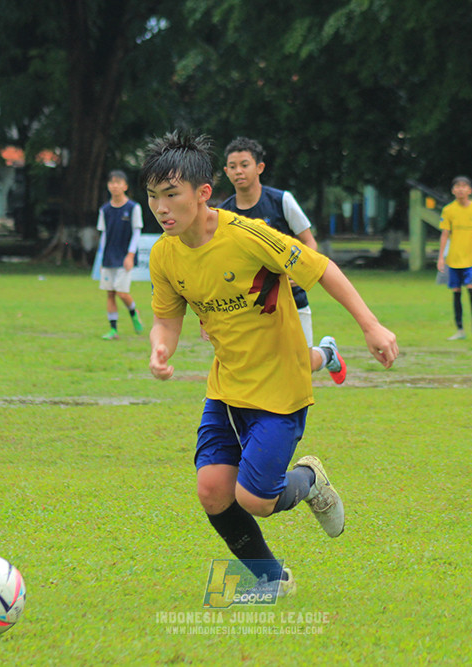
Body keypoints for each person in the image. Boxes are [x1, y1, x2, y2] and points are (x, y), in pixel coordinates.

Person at [144, 132, 398, 597]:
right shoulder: (164, 253)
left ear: (202, 194)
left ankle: (309, 479)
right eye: (153, 196)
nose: (161, 208)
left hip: (280, 388)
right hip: (226, 388)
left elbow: (322, 269)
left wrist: (371, 326)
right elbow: (167, 318)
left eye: (171, 195)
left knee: (256, 499)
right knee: (212, 490)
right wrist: (161, 347)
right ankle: (269, 579)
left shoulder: (248, 235)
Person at [219, 136, 346, 383]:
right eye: (232, 167)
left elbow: (309, 242)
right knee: (253, 364)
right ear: (226, 171)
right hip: (249, 305)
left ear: (260, 167)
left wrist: (298, 273)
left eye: (244, 164)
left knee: (302, 364)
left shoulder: (281, 201)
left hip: (292, 298)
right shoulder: (223, 214)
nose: (238, 171)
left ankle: (328, 352)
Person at [437, 176, 472, 340]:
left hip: (471, 258)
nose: (460, 189)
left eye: (464, 186)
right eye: (457, 186)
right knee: (456, 293)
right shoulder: (448, 210)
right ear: (453, 191)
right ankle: (460, 329)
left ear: (470, 190)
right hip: (454, 258)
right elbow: (445, 234)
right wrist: (441, 257)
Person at [96, 170, 145, 340]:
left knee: (122, 292)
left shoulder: (133, 208)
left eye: (118, 182)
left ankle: (133, 313)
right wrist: (101, 258)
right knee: (110, 292)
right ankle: (113, 330)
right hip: (109, 257)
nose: (114, 186)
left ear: (125, 186)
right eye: (111, 182)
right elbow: (103, 235)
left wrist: (130, 255)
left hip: (124, 257)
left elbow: (137, 232)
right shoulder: (105, 209)